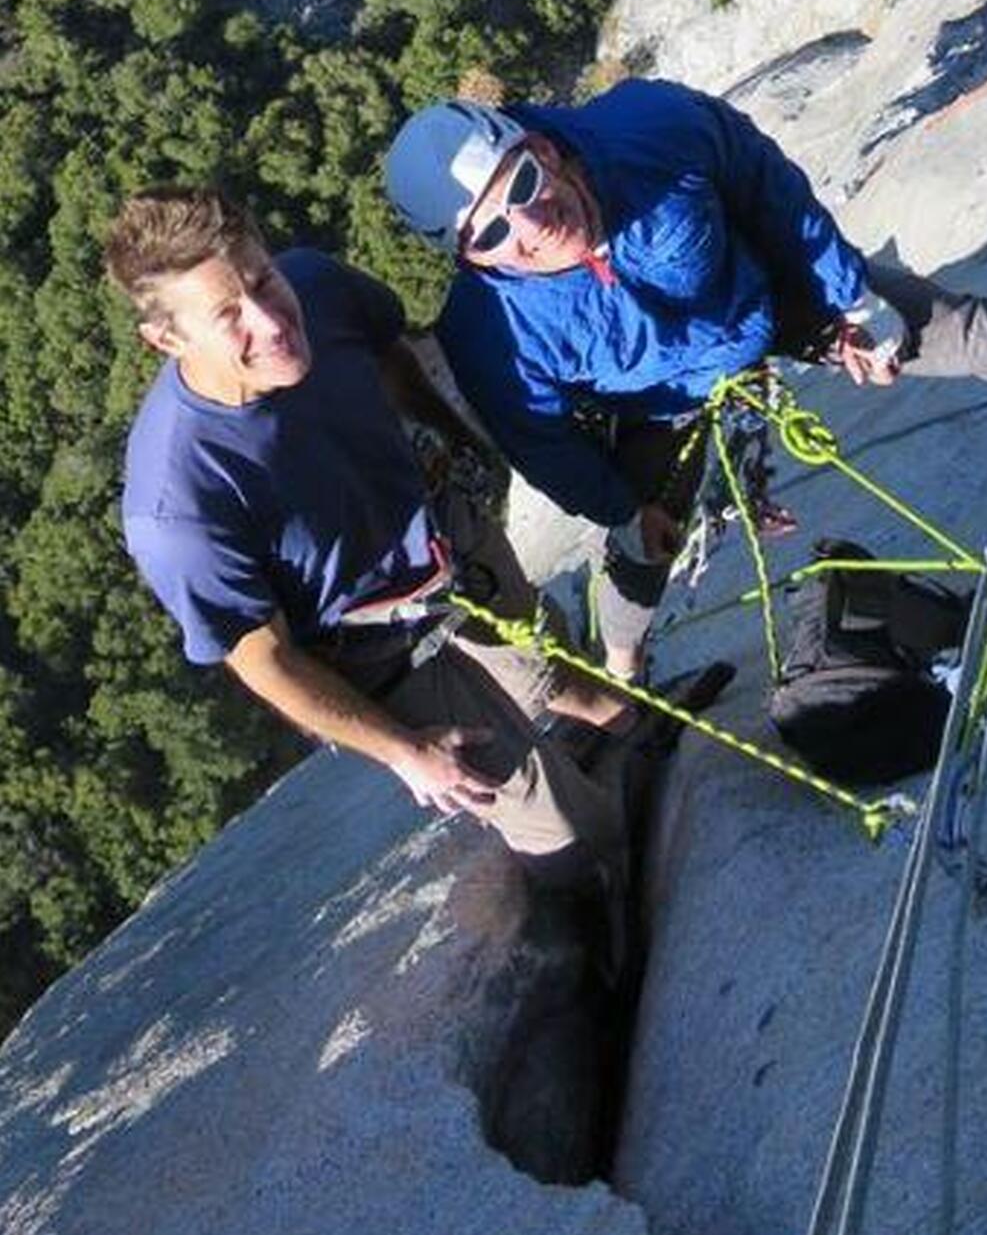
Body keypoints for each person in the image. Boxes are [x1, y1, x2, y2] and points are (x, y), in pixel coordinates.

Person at [384, 79, 987, 679]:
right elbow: (538, 437)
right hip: (661, 401)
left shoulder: (649, 128)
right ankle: (625, 680)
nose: (530, 221)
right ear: (465, 256)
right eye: (492, 230)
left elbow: (769, 193)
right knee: (637, 554)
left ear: (540, 147)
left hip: (773, 294)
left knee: (980, 336)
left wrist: (854, 303)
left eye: (525, 183)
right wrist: (617, 503)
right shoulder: (488, 331)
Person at [105, 186, 658, 904]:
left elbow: (388, 356)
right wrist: (404, 752)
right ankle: (602, 915)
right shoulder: (178, 503)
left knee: (553, 673)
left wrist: (455, 442)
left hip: (441, 539)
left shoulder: (316, 286)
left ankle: (646, 741)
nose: (271, 320)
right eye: (227, 314)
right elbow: (262, 657)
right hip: (371, 648)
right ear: (168, 340)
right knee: (555, 820)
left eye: (262, 280)